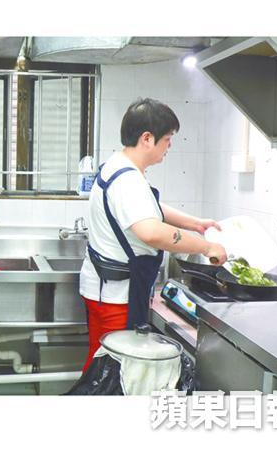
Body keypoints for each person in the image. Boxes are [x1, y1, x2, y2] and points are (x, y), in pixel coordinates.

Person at [79, 98, 227, 372]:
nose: (169, 146)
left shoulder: (118, 165)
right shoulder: (128, 180)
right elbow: (150, 231)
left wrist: (195, 223)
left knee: (101, 365)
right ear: (147, 138)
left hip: (105, 288)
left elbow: (149, 209)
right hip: (116, 294)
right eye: (167, 139)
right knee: (113, 370)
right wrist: (206, 247)